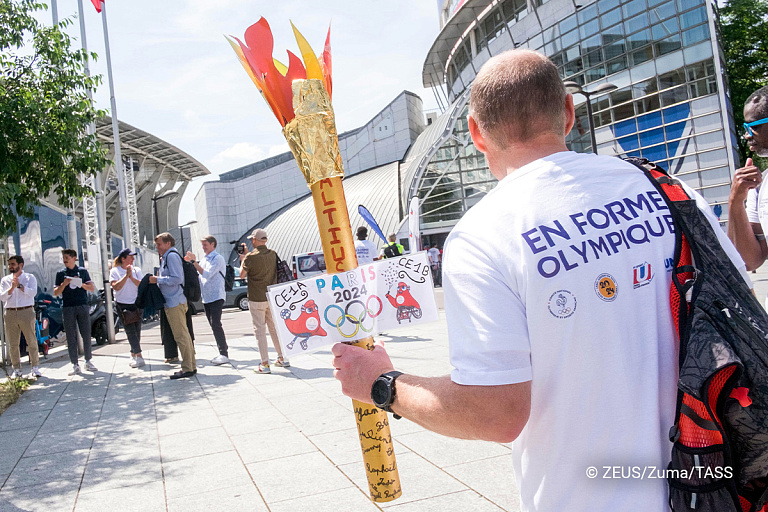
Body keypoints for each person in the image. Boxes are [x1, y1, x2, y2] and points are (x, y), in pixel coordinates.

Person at [331, 50, 750, 511]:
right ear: (568, 112)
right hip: (717, 485)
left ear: (475, 132)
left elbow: (497, 414)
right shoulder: (664, 188)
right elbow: (740, 301)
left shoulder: (482, 235)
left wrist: (382, 383)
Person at [728, 85, 768, 303]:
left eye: (750, 125)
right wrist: (735, 201)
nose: (746, 134)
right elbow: (750, 260)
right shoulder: (760, 186)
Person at [239, 228, 289, 373]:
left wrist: (244, 259)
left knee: (259, 330)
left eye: (252, 239)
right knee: (274, 328)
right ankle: (282, 357)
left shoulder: (251, 257)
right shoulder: (272, 254)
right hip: (271, 296)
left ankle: (265, 363)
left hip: (256, 297)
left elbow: (242, 275)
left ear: (254, 240)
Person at [149, 232, 197, 379]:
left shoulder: (171, 256)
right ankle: (190, 365)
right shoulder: (169, 256)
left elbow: (177, 278)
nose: (157, 247)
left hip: (174, 300)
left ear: (168, 243)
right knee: (184, 335)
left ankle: (187, 368)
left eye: (159, 244)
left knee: (181, 336)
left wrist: (158, 279)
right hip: (175, 300)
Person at [186, 235, 229, 365]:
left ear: (213, 245)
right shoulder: (204, 259)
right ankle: (222, 351)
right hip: (207, 297)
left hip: (216, 295)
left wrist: (194, 262)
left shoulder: (218, 258)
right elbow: (199, 277)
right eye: (203, 245)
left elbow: (207, 274)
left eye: (206, 245)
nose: (204, 248)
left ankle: (224, 353)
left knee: (216, 324)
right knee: (213, 325)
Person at [54, 249, 98, 376]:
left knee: (86, 333)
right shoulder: (60, 273)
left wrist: (80, 284)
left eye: (67, 257)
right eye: (63, 257)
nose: (65, 260)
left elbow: (91, 287)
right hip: (68, 306)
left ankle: (88, 360)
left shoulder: (82, 271)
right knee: (71, 335)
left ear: (74, 258)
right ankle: (74, 363)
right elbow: (56, 292)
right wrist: (64, 284)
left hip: (82, 305)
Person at [0, 255, 41, 379]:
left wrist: (20, 286)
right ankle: (16, 369)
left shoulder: (29, 277)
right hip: (10, 312)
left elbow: (33, 292)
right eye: (10, 264)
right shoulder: (5, 280)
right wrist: (12, 287)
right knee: (12, 343)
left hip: (26, 311)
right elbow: (2, 297)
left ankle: (35, 367)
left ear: (20, 265)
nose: (10, 266)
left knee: (31, 340)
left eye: (13, 264)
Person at [110, 248, 144, 368]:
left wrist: (131, 277)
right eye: (130, 257)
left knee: (137, 330)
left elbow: (141, 284)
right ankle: (139, 355)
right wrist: (126, 276)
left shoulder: (137, 270)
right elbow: (116, 287)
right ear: (123, 259)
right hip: (123, 304)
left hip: (137, 302)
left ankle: (133, 353)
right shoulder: (115, 271)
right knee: (130, 331)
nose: (133, 259)